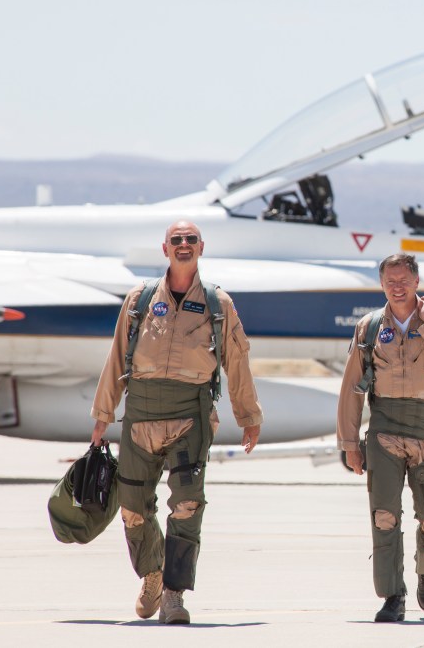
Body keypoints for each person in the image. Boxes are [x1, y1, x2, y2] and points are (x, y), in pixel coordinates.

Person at [90, 220, 262, 624]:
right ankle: (152, 572)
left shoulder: (219, 304)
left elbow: (237, 361)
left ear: (201, 247)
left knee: (186, 506)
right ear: (165, 248)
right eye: (176, 240)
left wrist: (248, 416)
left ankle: (173, 593)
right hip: (141, 416)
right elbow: (116, 357)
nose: (183, 245)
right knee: (132, 507)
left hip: (190, 415)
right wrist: (102, 415)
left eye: (190, 240)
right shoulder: (140, 299)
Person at [337, 253, 424, 623]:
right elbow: (352, 388)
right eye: (390, 281)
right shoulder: (369, 326)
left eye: (404, 280)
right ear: (382, 284)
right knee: (384, 515)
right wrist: (349, 444)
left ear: (416, 281)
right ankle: (393, 596)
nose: (397, 287)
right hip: (384, 429)